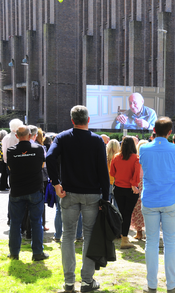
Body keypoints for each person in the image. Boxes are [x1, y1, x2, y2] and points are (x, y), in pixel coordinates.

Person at [47, 105, 110, 293]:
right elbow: (103, 172)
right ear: (88, 120)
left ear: (72, 120)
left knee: (68, 235)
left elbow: (50, 157)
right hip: (92, 194)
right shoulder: (98, 140)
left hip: (69, 194)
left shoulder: (62, 137)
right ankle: (87, 281)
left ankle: (68, 283)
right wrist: (105, 198)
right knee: (90, 236)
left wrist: (56, 183)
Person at [139, 117, 175, 293]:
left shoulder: (144, 149)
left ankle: (151, 285)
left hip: (150, 199)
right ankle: (171, 284)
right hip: (170, 199)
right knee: (170, 242)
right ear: (169, 132)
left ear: (154, 130)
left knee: (151, 241)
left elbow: (144, 164)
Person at [7, 126, 47, 261]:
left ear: (17, 136)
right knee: (36, 222)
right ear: (30, 136)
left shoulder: (11, 151)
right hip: (35, 189)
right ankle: (37, 253)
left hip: (17, 190)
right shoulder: (39, 149)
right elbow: (42, 165)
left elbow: (10, 168)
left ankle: (14, 253)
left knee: (15, 223)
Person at [110, 136, 141, 249]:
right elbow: (136, 174)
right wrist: (133, 184)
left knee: (122, 213)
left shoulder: (116, 157)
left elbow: (112, 172)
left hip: (118, 188)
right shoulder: (136, 158)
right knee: (127, 214)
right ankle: (125, 239)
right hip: (131, 189)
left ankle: (122, 236)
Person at [131, 139, 149, 241]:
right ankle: (145, 231)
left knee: (138, 209)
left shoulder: (136, 158)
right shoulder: (149, 159)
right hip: (146, 184)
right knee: (145, 208)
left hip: (139, 184)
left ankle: (139, 232)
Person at [106, 139, 120, 208]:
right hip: (117, 184)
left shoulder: (104, 157)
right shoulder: (120, 158)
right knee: (117, 208)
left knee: (106, 206)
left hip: (106, 184)